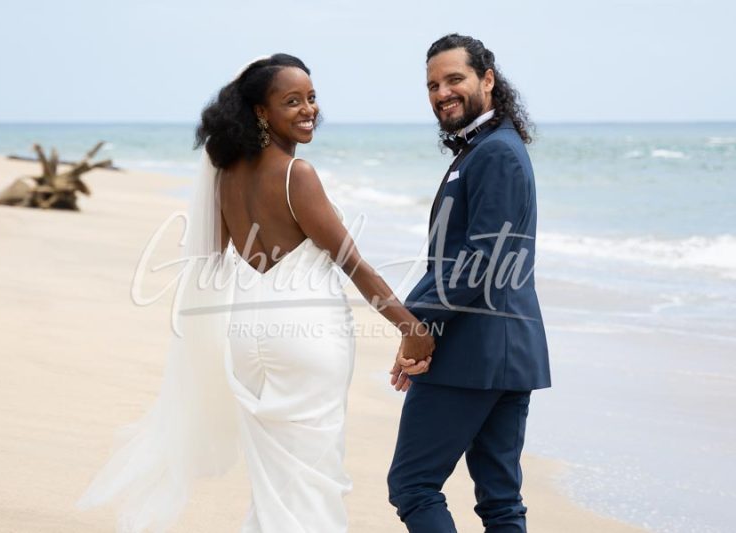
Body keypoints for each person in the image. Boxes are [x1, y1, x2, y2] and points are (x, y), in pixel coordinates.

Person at [77, 53, 433, 533]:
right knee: (313, 476)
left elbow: (215, 258)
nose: (309, 110)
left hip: (247, 335)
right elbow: (353, 264)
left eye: (311, 97)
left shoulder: (226, 177)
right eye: (292, 101)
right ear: (261, 112)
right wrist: (412, 329)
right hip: (306, 336)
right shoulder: (296, 174)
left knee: (274, 480)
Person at [387, 34, 552, 533]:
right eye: (433, 85)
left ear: (488, 79)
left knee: (413, 486)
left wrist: (414, 325)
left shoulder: (496, 152)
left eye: (454, 79)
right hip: (505, 354)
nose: (442, 93)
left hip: (473, 352)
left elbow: (480, 260)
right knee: (501, 502)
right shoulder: (484, 148)